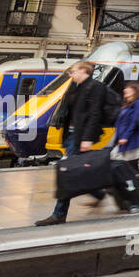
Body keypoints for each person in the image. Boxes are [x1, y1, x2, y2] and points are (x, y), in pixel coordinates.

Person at [35, 62, 111, 225]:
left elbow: (95, 114)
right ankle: (98, 192)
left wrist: (87, 138)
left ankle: (59, 214)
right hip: (70, 135)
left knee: (68, 173)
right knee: (79, 172)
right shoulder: (75, 86)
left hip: (80, 136)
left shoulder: (95, 87)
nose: (71, 74)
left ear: (84, 71)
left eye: (73, 71)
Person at [113, 83, 139, 162]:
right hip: (122, 138)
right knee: (126, 163)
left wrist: (125, 137)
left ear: (134, 91)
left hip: (130, 139)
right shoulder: (127, 104)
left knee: (122, 161)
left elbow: (135, 121)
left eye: (127, 88)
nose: (124, 90)